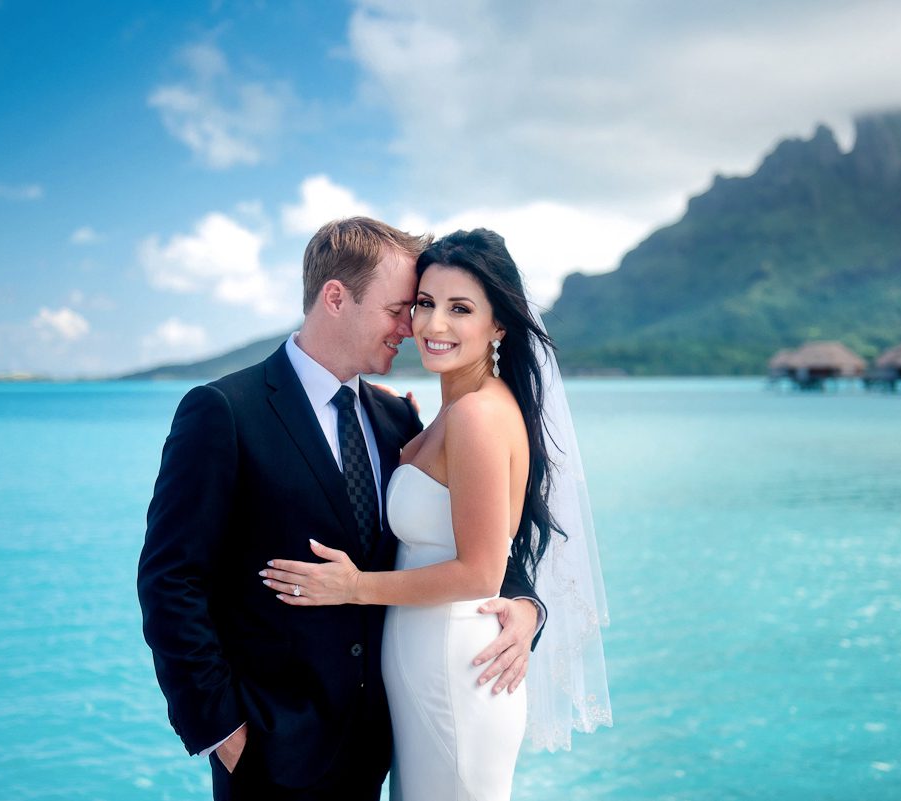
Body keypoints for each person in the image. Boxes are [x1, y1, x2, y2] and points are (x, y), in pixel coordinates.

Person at [137, 218, 543, 801]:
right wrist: (219, 727)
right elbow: (169, 579)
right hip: (271, 747)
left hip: (385, 734)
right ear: (335, 298)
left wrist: (526, 605)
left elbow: (480, 532)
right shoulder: (224, 411)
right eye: (403, 307)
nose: (413, 327)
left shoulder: (396, 421)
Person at [260, 228, 612, 800]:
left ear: (498, 325)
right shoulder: (437, 415)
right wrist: (527, 605)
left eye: (460, 309)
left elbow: (479, 572)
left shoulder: (477, 416)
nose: (432, 324)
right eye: (423, 304)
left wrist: (352, 587)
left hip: (456, 676)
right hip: (423, 673)